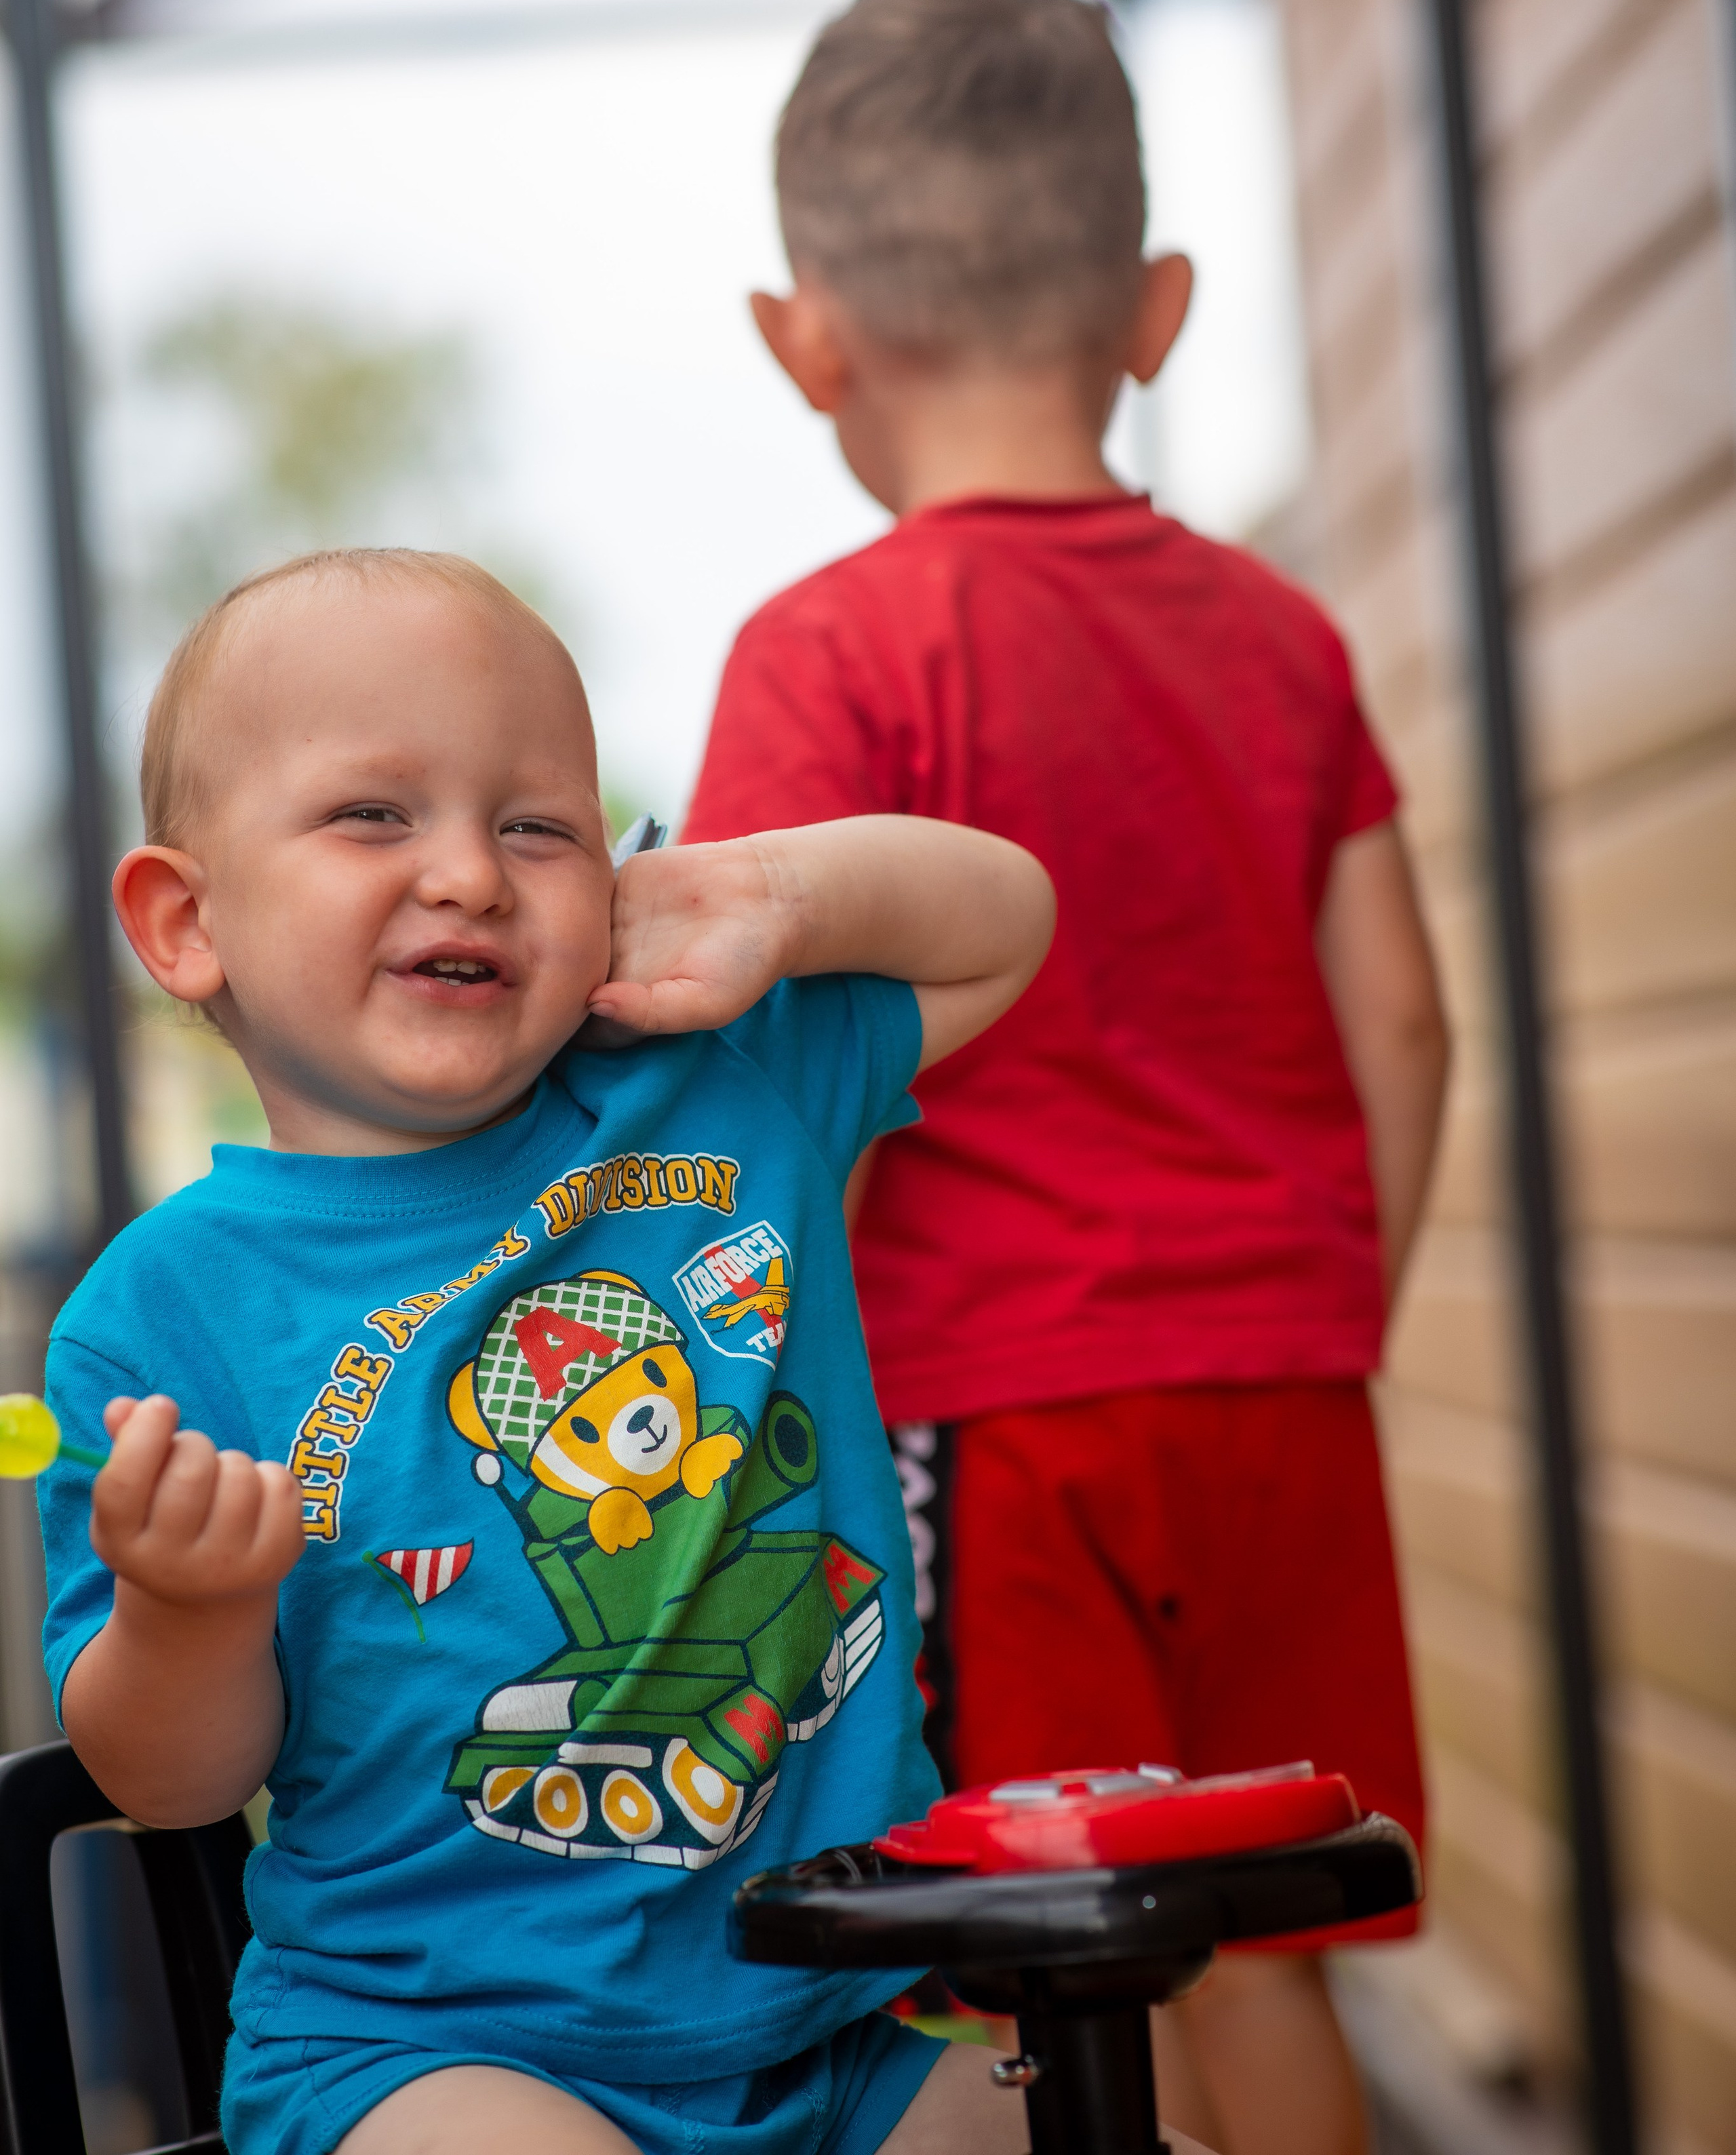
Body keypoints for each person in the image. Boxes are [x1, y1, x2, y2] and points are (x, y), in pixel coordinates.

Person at [38, 545, 1132, 2155]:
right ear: (187, 921)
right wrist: (188, 1608)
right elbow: (171, 1782)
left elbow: (1004, 920)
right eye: (372, 815)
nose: (473, 873)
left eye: (538, 823)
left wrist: (775, 894)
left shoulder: (715, 1087)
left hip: (841, 2018)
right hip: (429, 2051)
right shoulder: (159, 1315)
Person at [683, 0, 1452, 2155]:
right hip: (1289, 1393)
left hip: (994, 1423)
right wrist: (1328, 1311)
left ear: (803, 338)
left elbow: (760, 1107)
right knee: (1247, 1929)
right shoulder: (1286, 635)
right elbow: (1402, 1009)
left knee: (1025, 1964)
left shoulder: (824, 659)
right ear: (1164, 304)